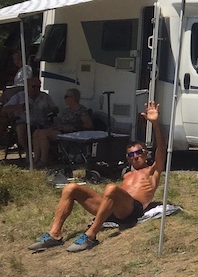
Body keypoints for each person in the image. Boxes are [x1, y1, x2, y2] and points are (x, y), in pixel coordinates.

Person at [27, 102, 166, 252]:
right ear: (127, 158)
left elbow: (162, 150)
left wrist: (155, 123)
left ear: (145, 153)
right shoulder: (127, 174)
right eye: (131, 155)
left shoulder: (152, 171)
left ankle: (91, 236)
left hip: (132, 210)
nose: (135, 157)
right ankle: (54, 234)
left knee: (111, 188)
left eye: (138, 152)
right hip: (113, 208)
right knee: (70, 188)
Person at [31, 87, 93, 166]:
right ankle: (36, 159)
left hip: (69, 133)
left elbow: (88, 125)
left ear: (73, 98)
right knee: (37, 132)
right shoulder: (67, 110)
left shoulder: (81, 110)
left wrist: (72, 127)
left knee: (43, 134)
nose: (64, 99)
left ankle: (44, 159)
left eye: (66, 97)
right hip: (60, 130)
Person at [2, 77, 57, 155]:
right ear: (27, 86)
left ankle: (45, 155)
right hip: (24, 122)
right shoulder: (19, 96)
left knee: (51, 128)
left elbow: (55, 109)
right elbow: (5, 109)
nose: (36, 89)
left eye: (39, 87)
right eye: (33, 86)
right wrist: (20, 107)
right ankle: (28, 152)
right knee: (21, 127)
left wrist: (50, 110)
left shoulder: (45, 96)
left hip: (41, 123)